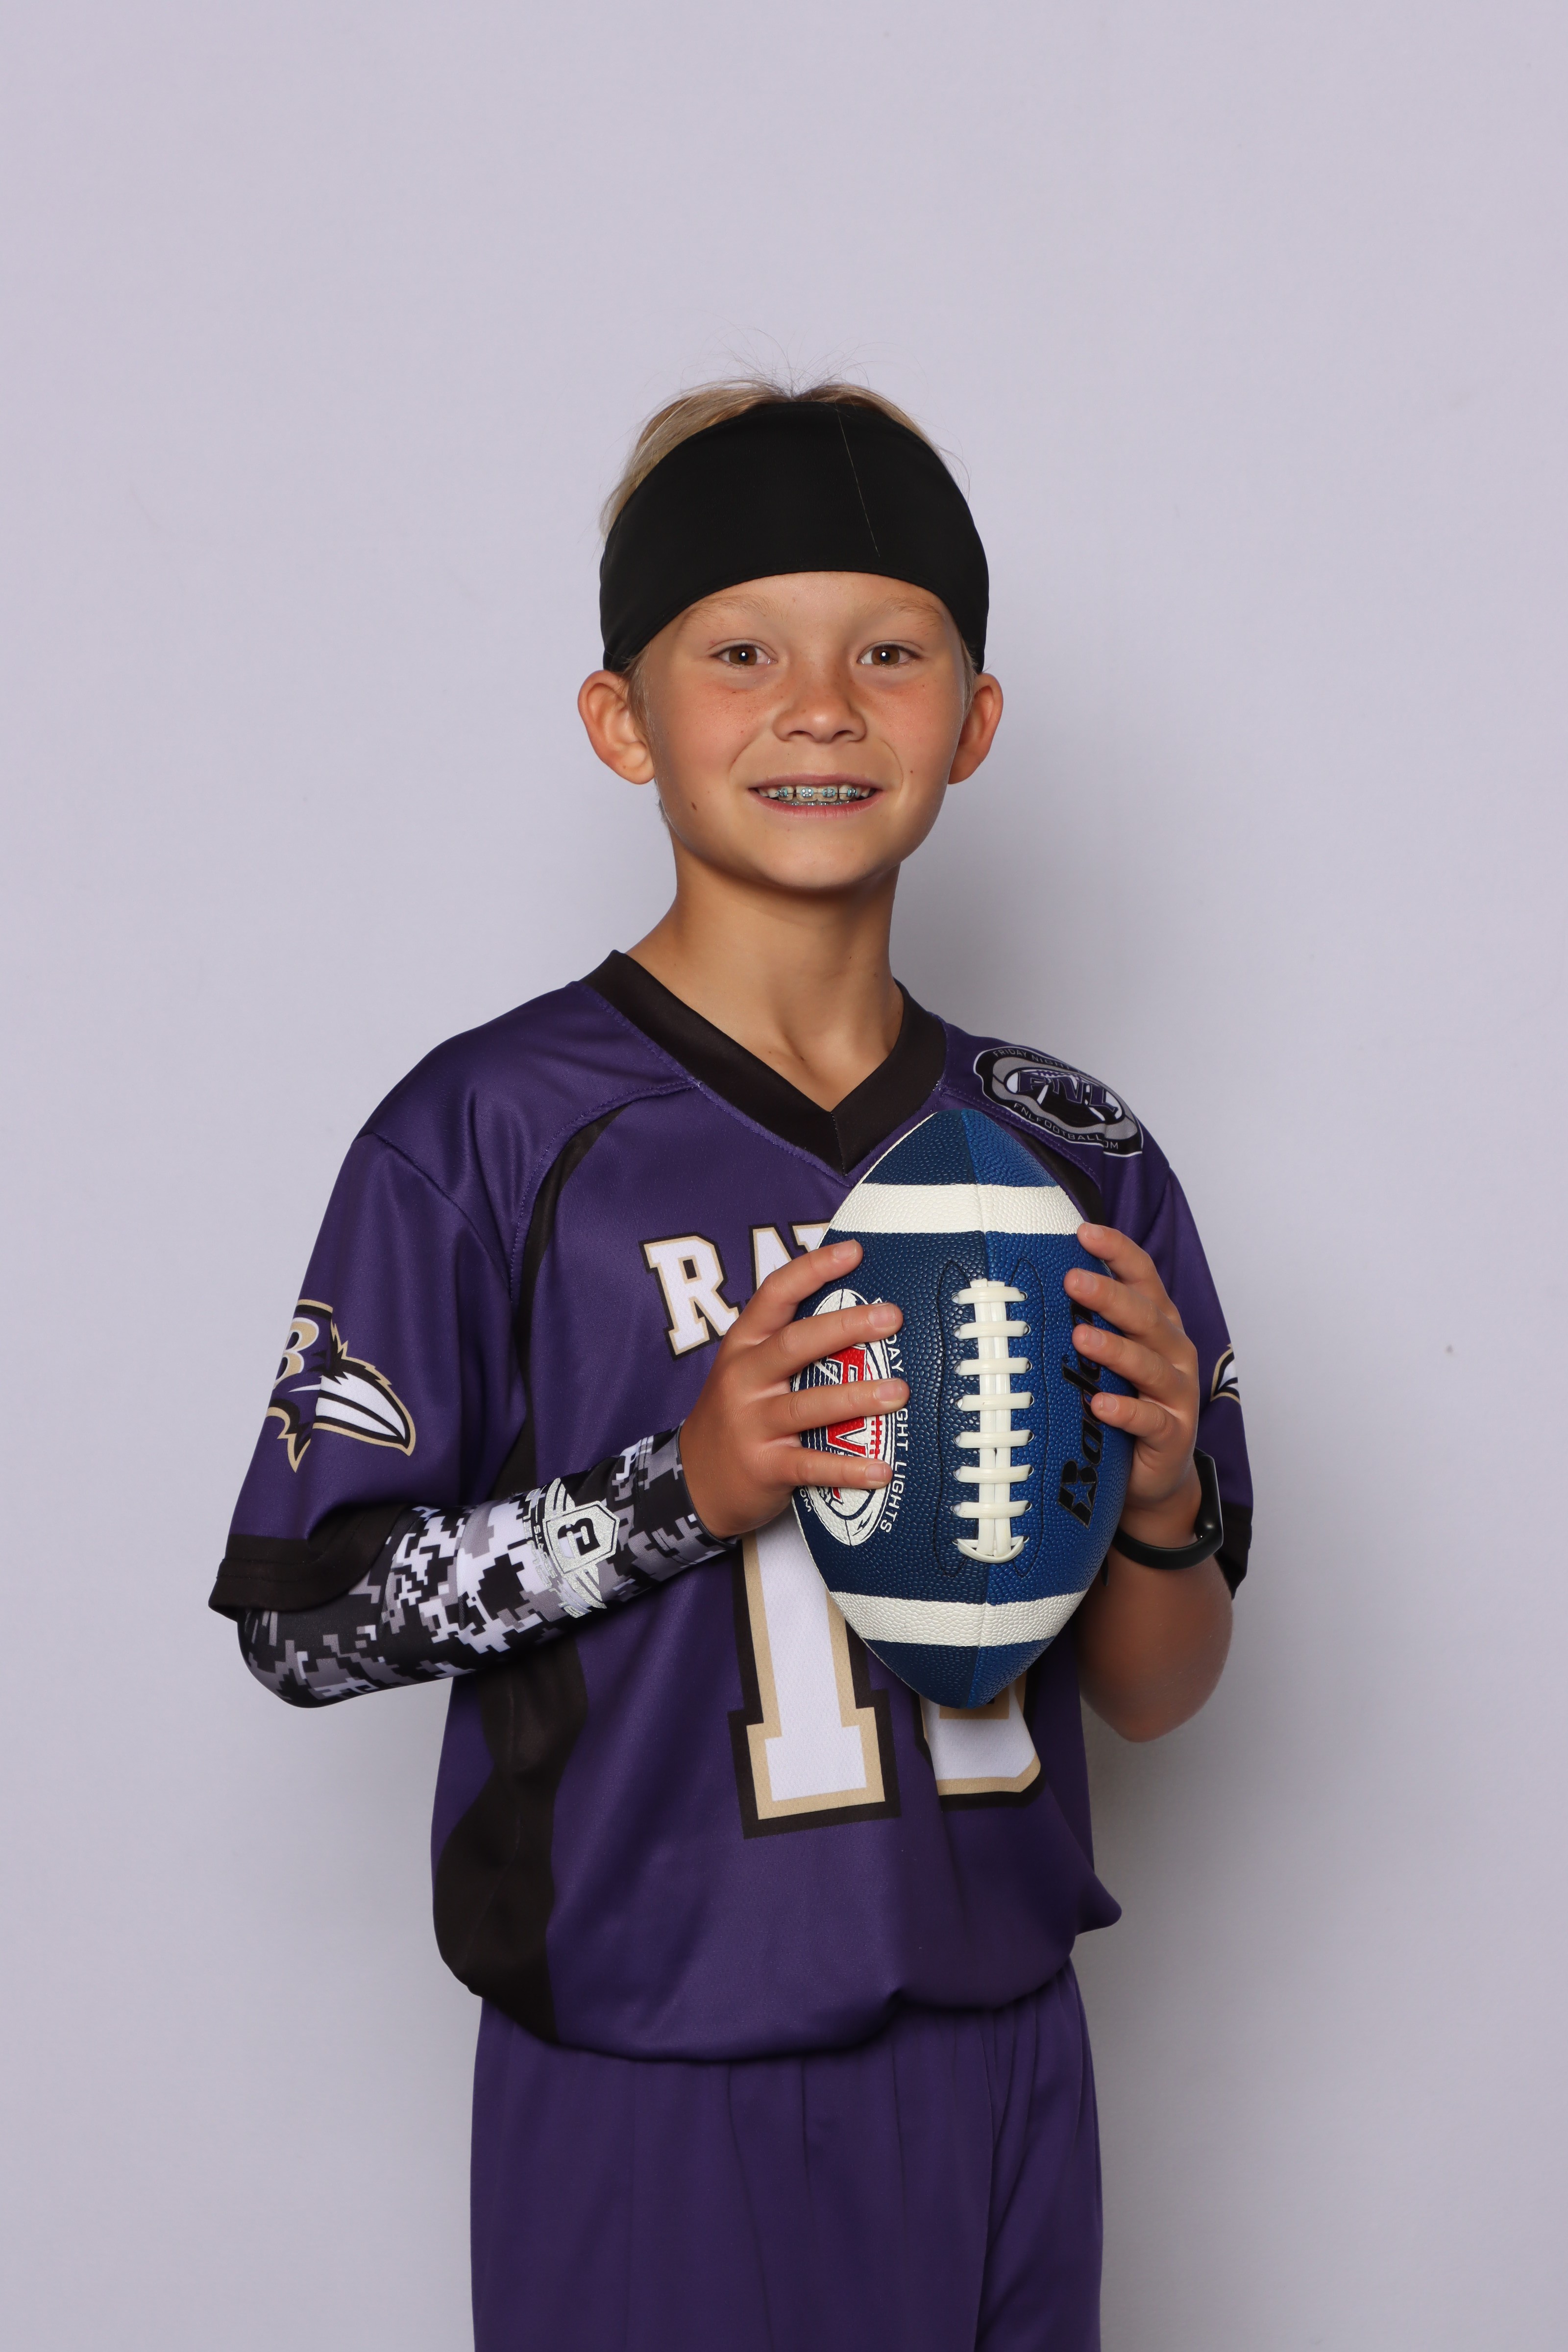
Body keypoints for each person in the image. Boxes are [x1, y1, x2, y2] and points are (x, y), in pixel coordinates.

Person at [212, 380, 1252, 2351]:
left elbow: (1156, 1688)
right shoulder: (492, 1132)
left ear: (974, 717)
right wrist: (678, 1489)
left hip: (1007, 2056)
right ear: (624, 719)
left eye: (889, 652)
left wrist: (1165, 1502)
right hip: (655, 2071)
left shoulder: (1074, 1153)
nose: (822, 708)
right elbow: (303, 1628)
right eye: (741, 652)